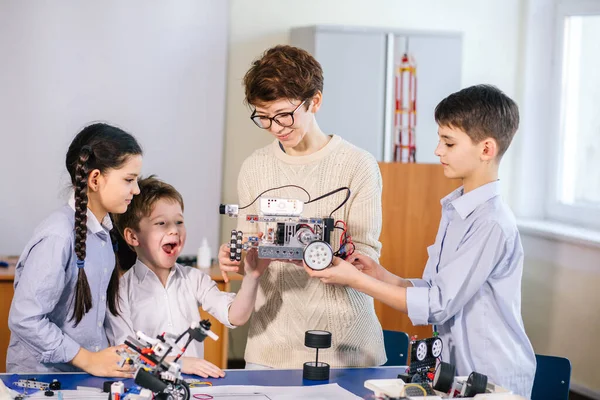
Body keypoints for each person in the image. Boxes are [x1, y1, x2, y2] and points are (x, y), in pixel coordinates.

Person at [305, 85, 536, 397]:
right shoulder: (457, 209)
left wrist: (355, 281)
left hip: (492, 379)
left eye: (448, 142)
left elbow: (436, 307)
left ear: (486, 149)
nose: (438, 150)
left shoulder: (491, 222)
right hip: (457, 373)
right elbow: (435, 290)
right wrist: (379, 275)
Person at [218, 45, 386, 369]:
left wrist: (319, 254)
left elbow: (367, 258)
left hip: (346, 347)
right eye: (263, 117)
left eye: (284, 114)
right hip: (272, 350)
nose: (276, 127)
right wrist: (236, 258)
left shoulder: (357, 165)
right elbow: (252, 258)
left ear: (315, 102)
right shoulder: (255, 167)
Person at [7, 123, 143, 376]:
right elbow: (24, 319)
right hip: (44, 379)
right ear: (95, 179)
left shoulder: (104, 232)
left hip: (83, 375)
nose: (136, 190)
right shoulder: (58, 236)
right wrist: (87, 360)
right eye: (129, 180)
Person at [106, 176, 267, 378]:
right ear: (133, 236)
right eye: (161, 223)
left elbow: (235, 316)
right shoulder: (120, 291)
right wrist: (179, 363)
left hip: (190, 386)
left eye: (179, 221)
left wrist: (252, 276)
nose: (174, 230)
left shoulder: (194, 279)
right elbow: (125, 352)